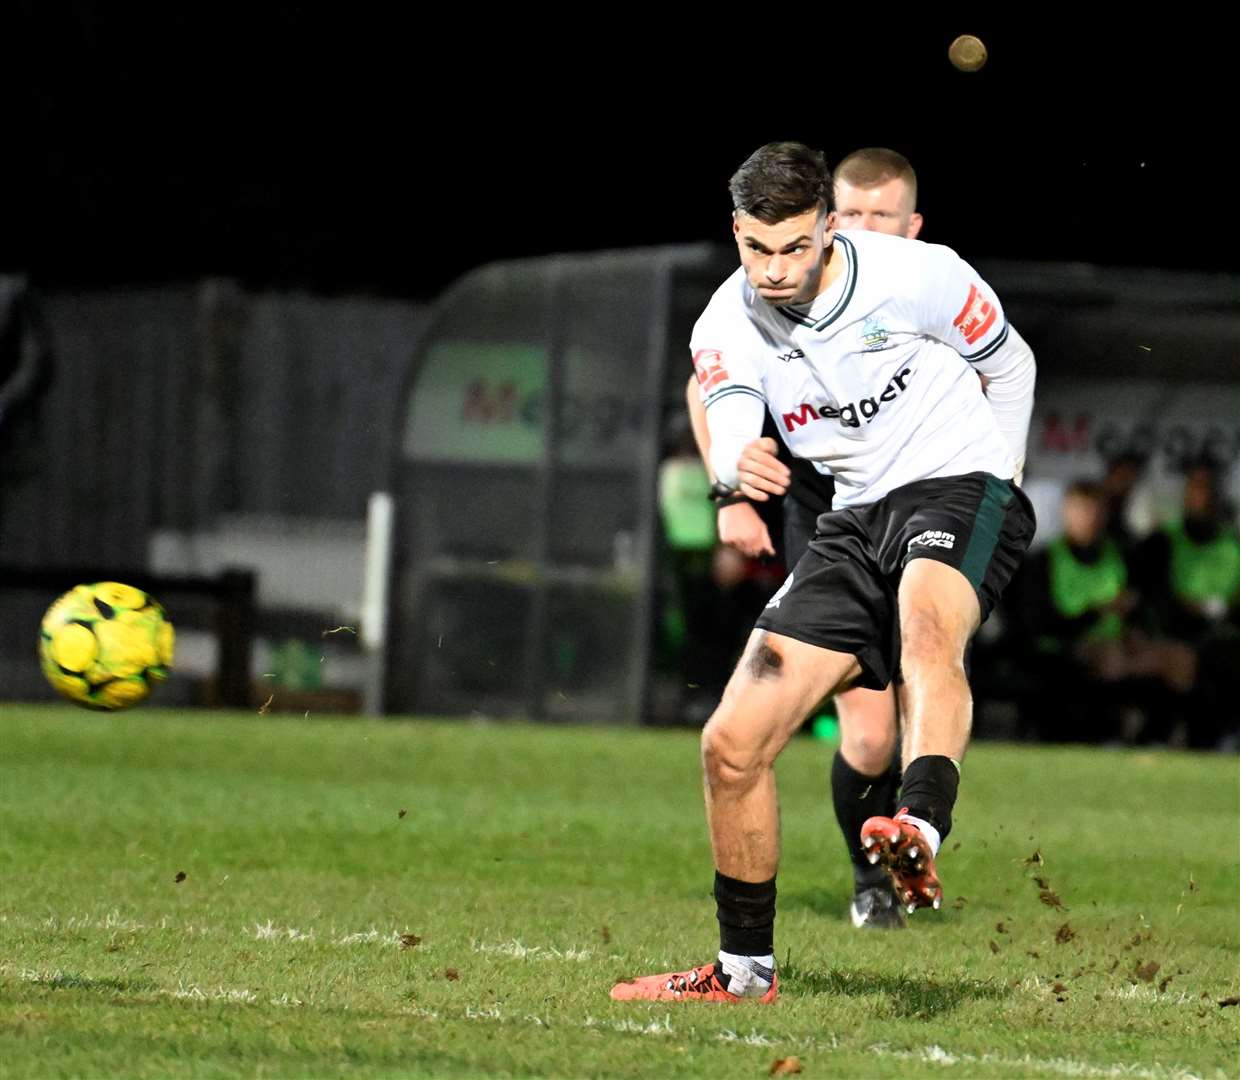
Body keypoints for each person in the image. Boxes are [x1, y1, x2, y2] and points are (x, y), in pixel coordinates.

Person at [612, 142, 1035, 1003]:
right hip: (852, 517)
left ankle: (917, 823)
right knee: (731, 745)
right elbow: (728, 406)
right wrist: (735, 466)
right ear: (736, 232)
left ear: (829, 227)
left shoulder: (917, 276)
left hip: (957, 486)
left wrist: (1004, 485)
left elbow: (1009, 364)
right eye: (756, 248)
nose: (774, 268)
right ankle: (742, 974)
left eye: (794, 247)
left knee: (926, 622)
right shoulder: (724, 322)